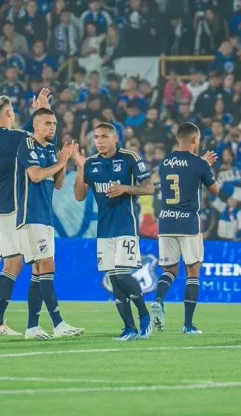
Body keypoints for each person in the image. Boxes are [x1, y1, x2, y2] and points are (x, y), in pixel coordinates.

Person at [0, 89, 51, 336]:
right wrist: (41, 112)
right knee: (14, 263)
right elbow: (36, 135)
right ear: (9, 113)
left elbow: (24, 134)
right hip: (6, 209)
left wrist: (34, 114)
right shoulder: (12, 137)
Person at [73, 122, 154, 341]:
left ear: (115, 138)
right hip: (104, 229)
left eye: (104, 137)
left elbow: (149, 187)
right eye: (96, 137)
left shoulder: (129, 158)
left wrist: (125, 188)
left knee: (121, 274)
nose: (99, 141)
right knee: (113, 278)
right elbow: (79, 196)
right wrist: (80, 168)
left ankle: (144, 315)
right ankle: (129, 328)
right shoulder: (90, 163)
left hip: (126, 225)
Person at [17, 107, 84, 340]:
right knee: (46, 266)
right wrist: (60, 161)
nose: (52, 127)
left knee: (38, 272)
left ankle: (32, 327)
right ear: (35, 126)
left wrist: (62, 163)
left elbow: (57, 184)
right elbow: (35, 176)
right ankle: (58, 324)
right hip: (31, 215)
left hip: (45, 216)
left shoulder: (48, 149)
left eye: (54, 123)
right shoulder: (27, 145)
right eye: (47, 123)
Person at [150, 122, 219, 335]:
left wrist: (200, 165)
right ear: (194, 140)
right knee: (193, 271)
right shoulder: (199, 163)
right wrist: (205, 166)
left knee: (169, 270)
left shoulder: (165, 162)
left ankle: (158, 300)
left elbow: (177, 176)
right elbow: (214, 190)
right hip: (188, 223)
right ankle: (188, 325)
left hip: (166, 222)